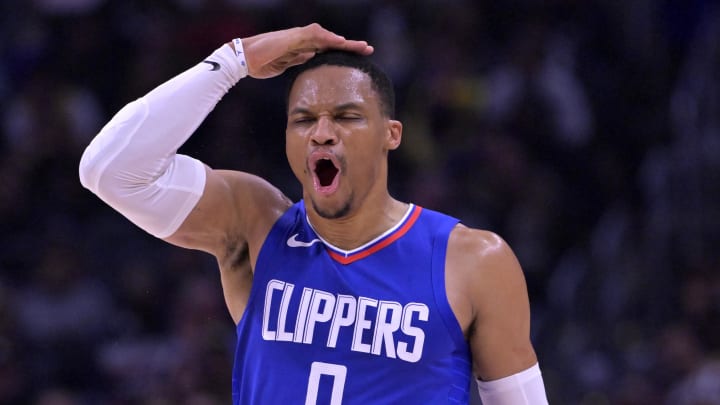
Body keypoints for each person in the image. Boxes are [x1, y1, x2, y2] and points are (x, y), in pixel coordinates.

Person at [79, 23, 549, 404]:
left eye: (346, 117)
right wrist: (235, 60)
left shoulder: (473, 261)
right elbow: (110, 170)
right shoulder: (257, 224)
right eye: (303, 120)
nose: (321, 133)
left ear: (392, 134)